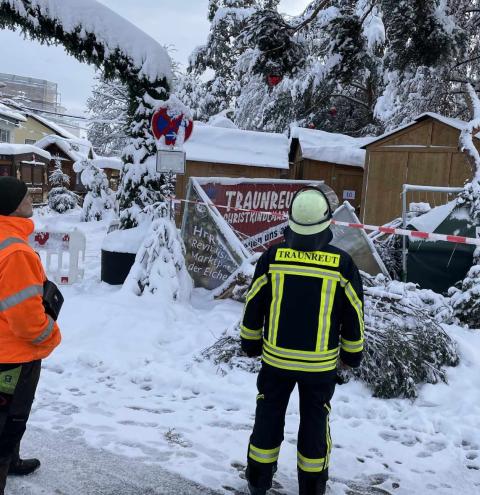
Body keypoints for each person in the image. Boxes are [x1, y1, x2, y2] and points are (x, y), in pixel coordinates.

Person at [240, 187, 364, 495]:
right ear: (326, 223)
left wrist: (250, 343)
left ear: (292, 222)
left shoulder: (272, 258)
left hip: (276, 361)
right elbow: (354, 314)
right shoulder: (342, 264)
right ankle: (311, 487)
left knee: (267, 417)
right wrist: (353, 354)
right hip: (319, 367)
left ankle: (258, 481)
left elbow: (254, 303)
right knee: (314, 425)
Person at [0, 177, 62, 494]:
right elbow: (27, 322)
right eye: (25, 196)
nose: (30, 199)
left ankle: (11, 460)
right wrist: (52, 335)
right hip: (13, 357)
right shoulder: (16, 252)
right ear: (13, 205)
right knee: (9, 423)